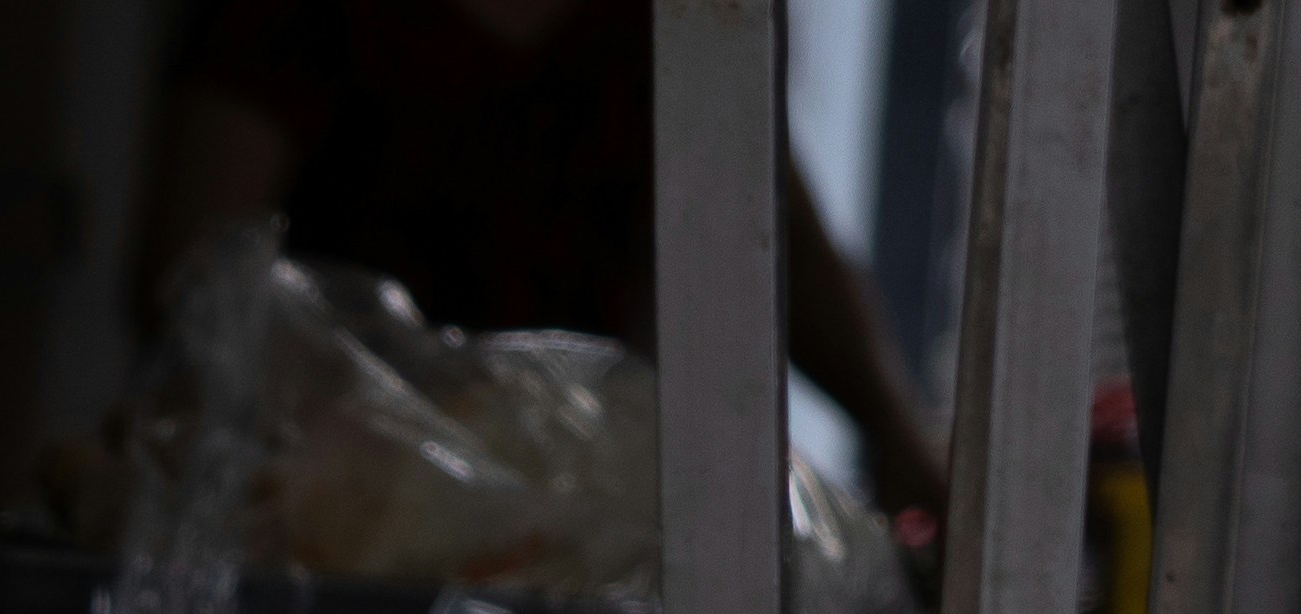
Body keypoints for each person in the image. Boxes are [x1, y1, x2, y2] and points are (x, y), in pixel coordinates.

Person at [142, 0, 952, 516]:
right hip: (317, 509)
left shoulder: (653, 24)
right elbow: (193, 274)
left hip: (551, 522)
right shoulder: (301, 18)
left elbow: (761, 215)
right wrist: (364, 432)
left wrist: (894, 433)